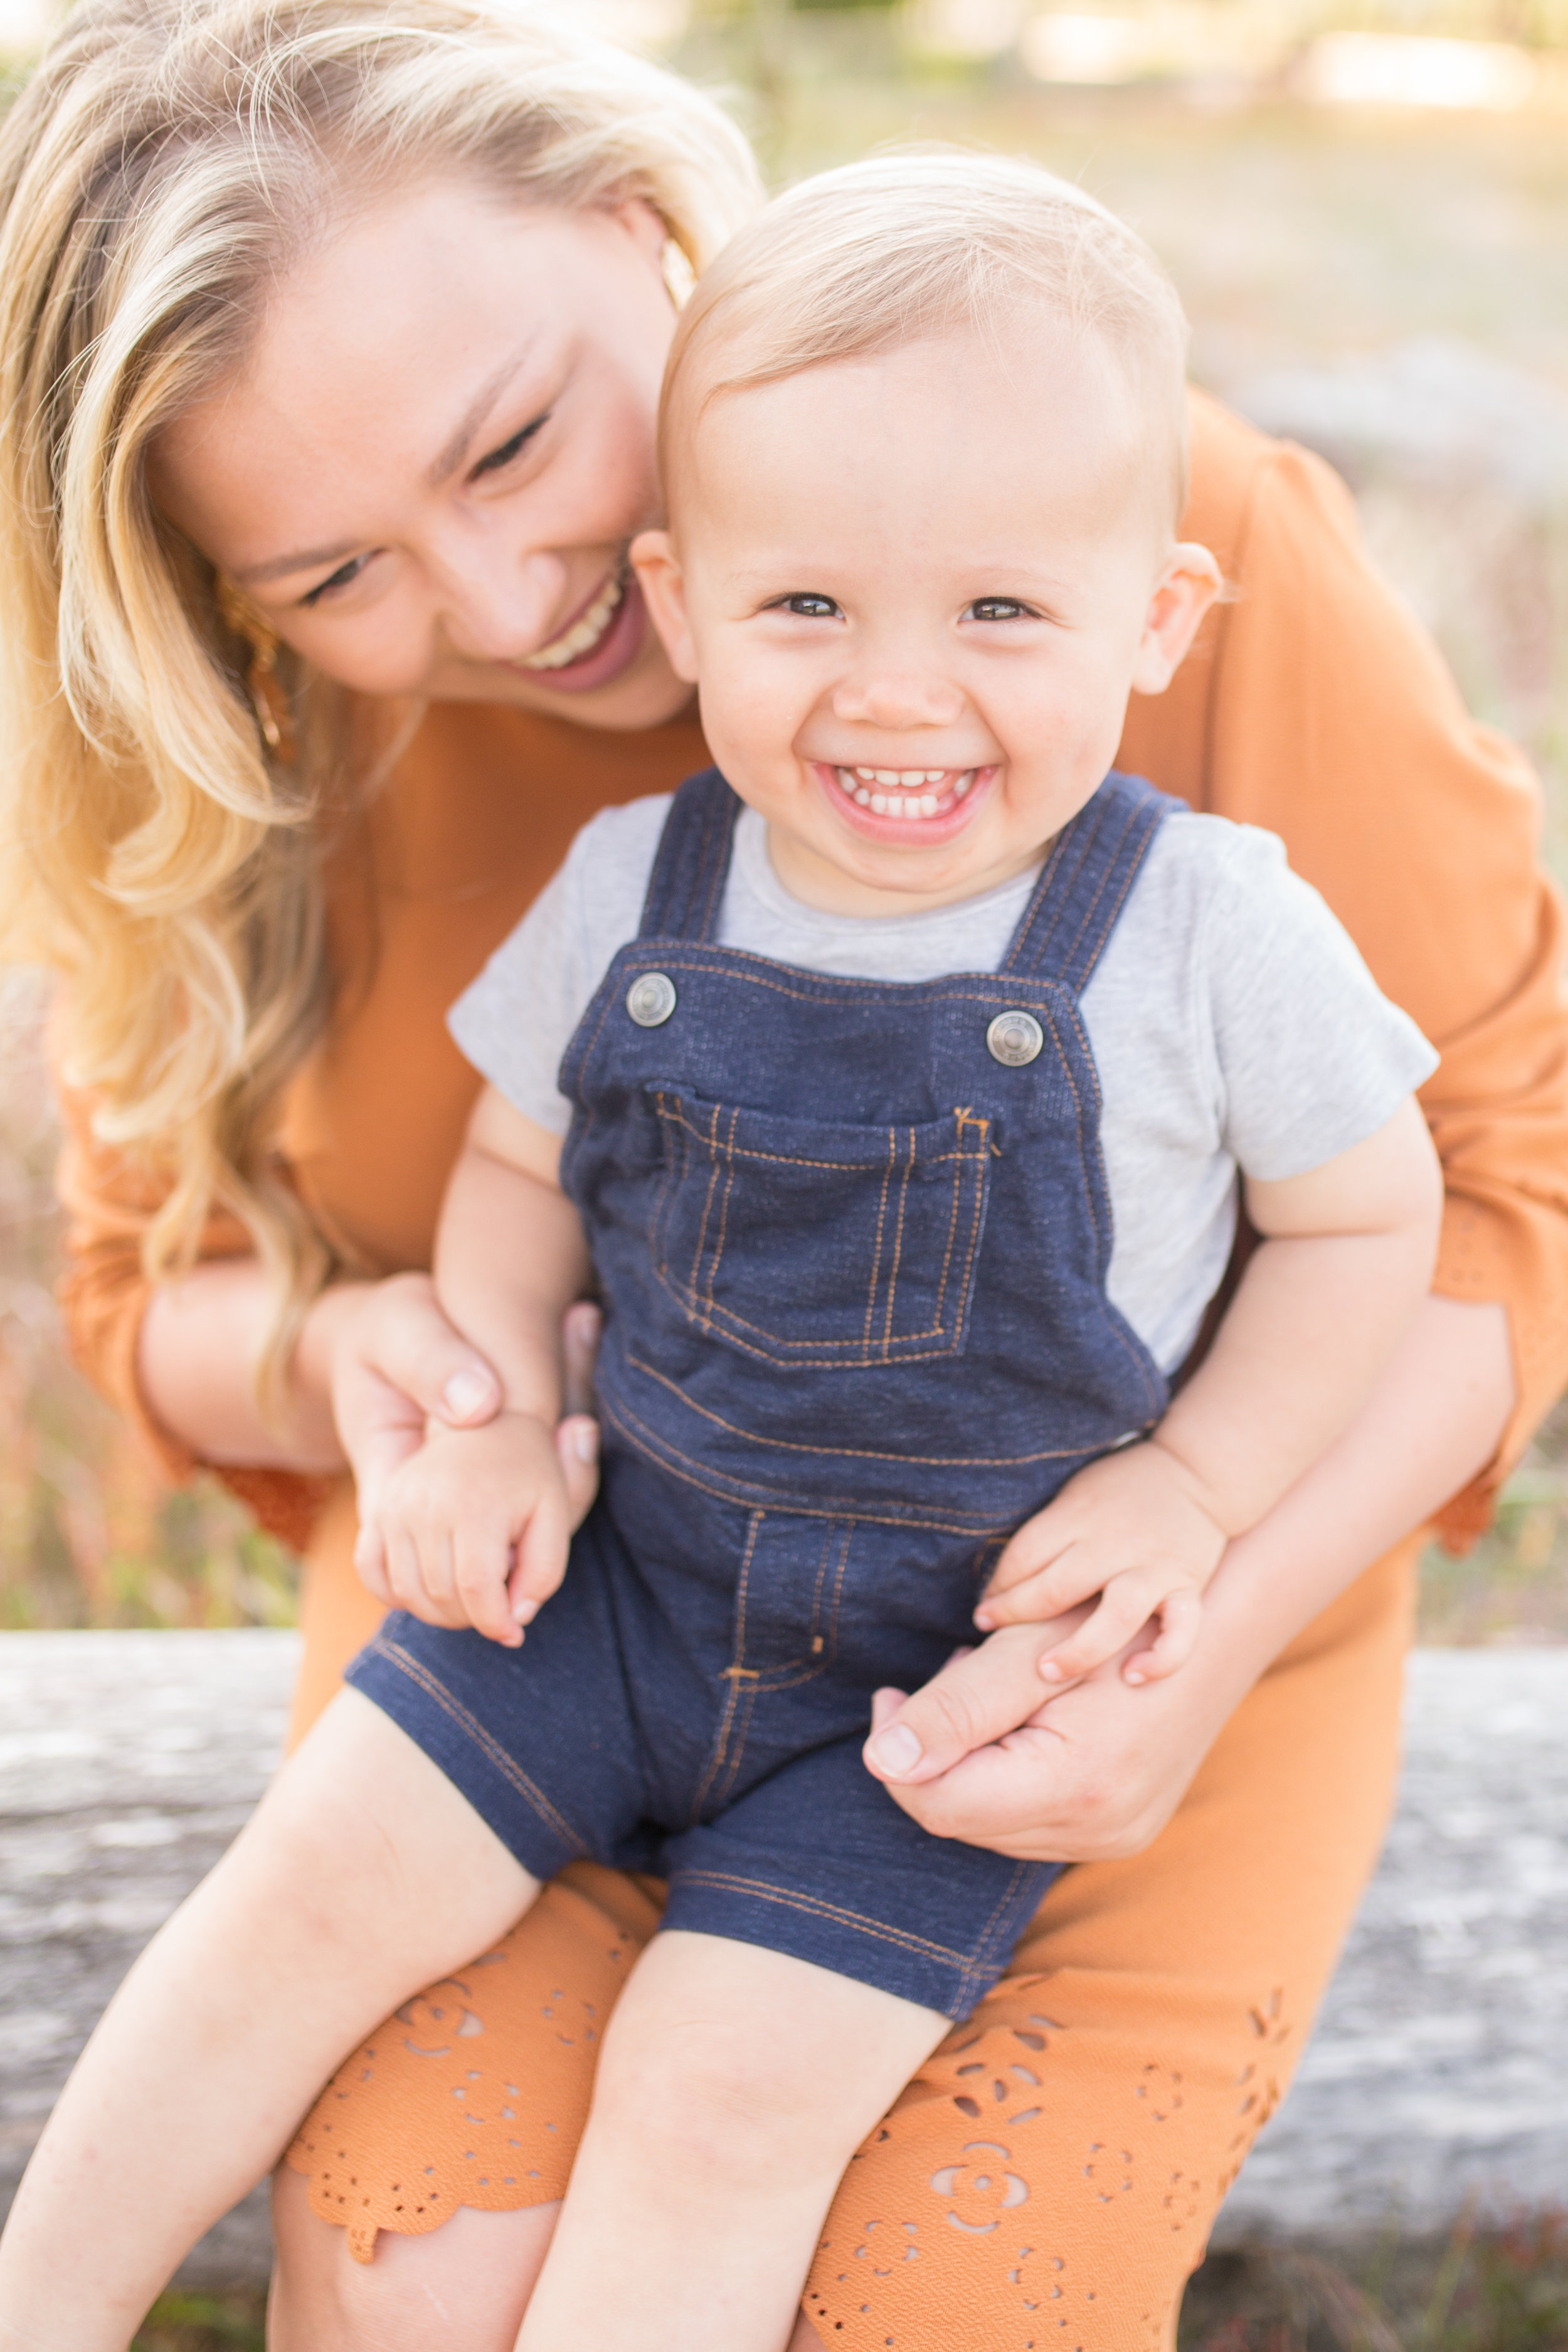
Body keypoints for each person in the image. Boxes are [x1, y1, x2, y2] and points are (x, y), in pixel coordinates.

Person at [0, 1, 1561, 2346]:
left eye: (516, 441)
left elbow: (1490, 1198)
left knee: (932, 2300)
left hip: (1060, 1652)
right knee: (431, 2267)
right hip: (564, 1577)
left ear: (643, 224)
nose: (512, 596)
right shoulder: (285, 766)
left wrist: (1195, 1603)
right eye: (339, 576)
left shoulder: (1108, 528)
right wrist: (388, 1354)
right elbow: (159, 1304)